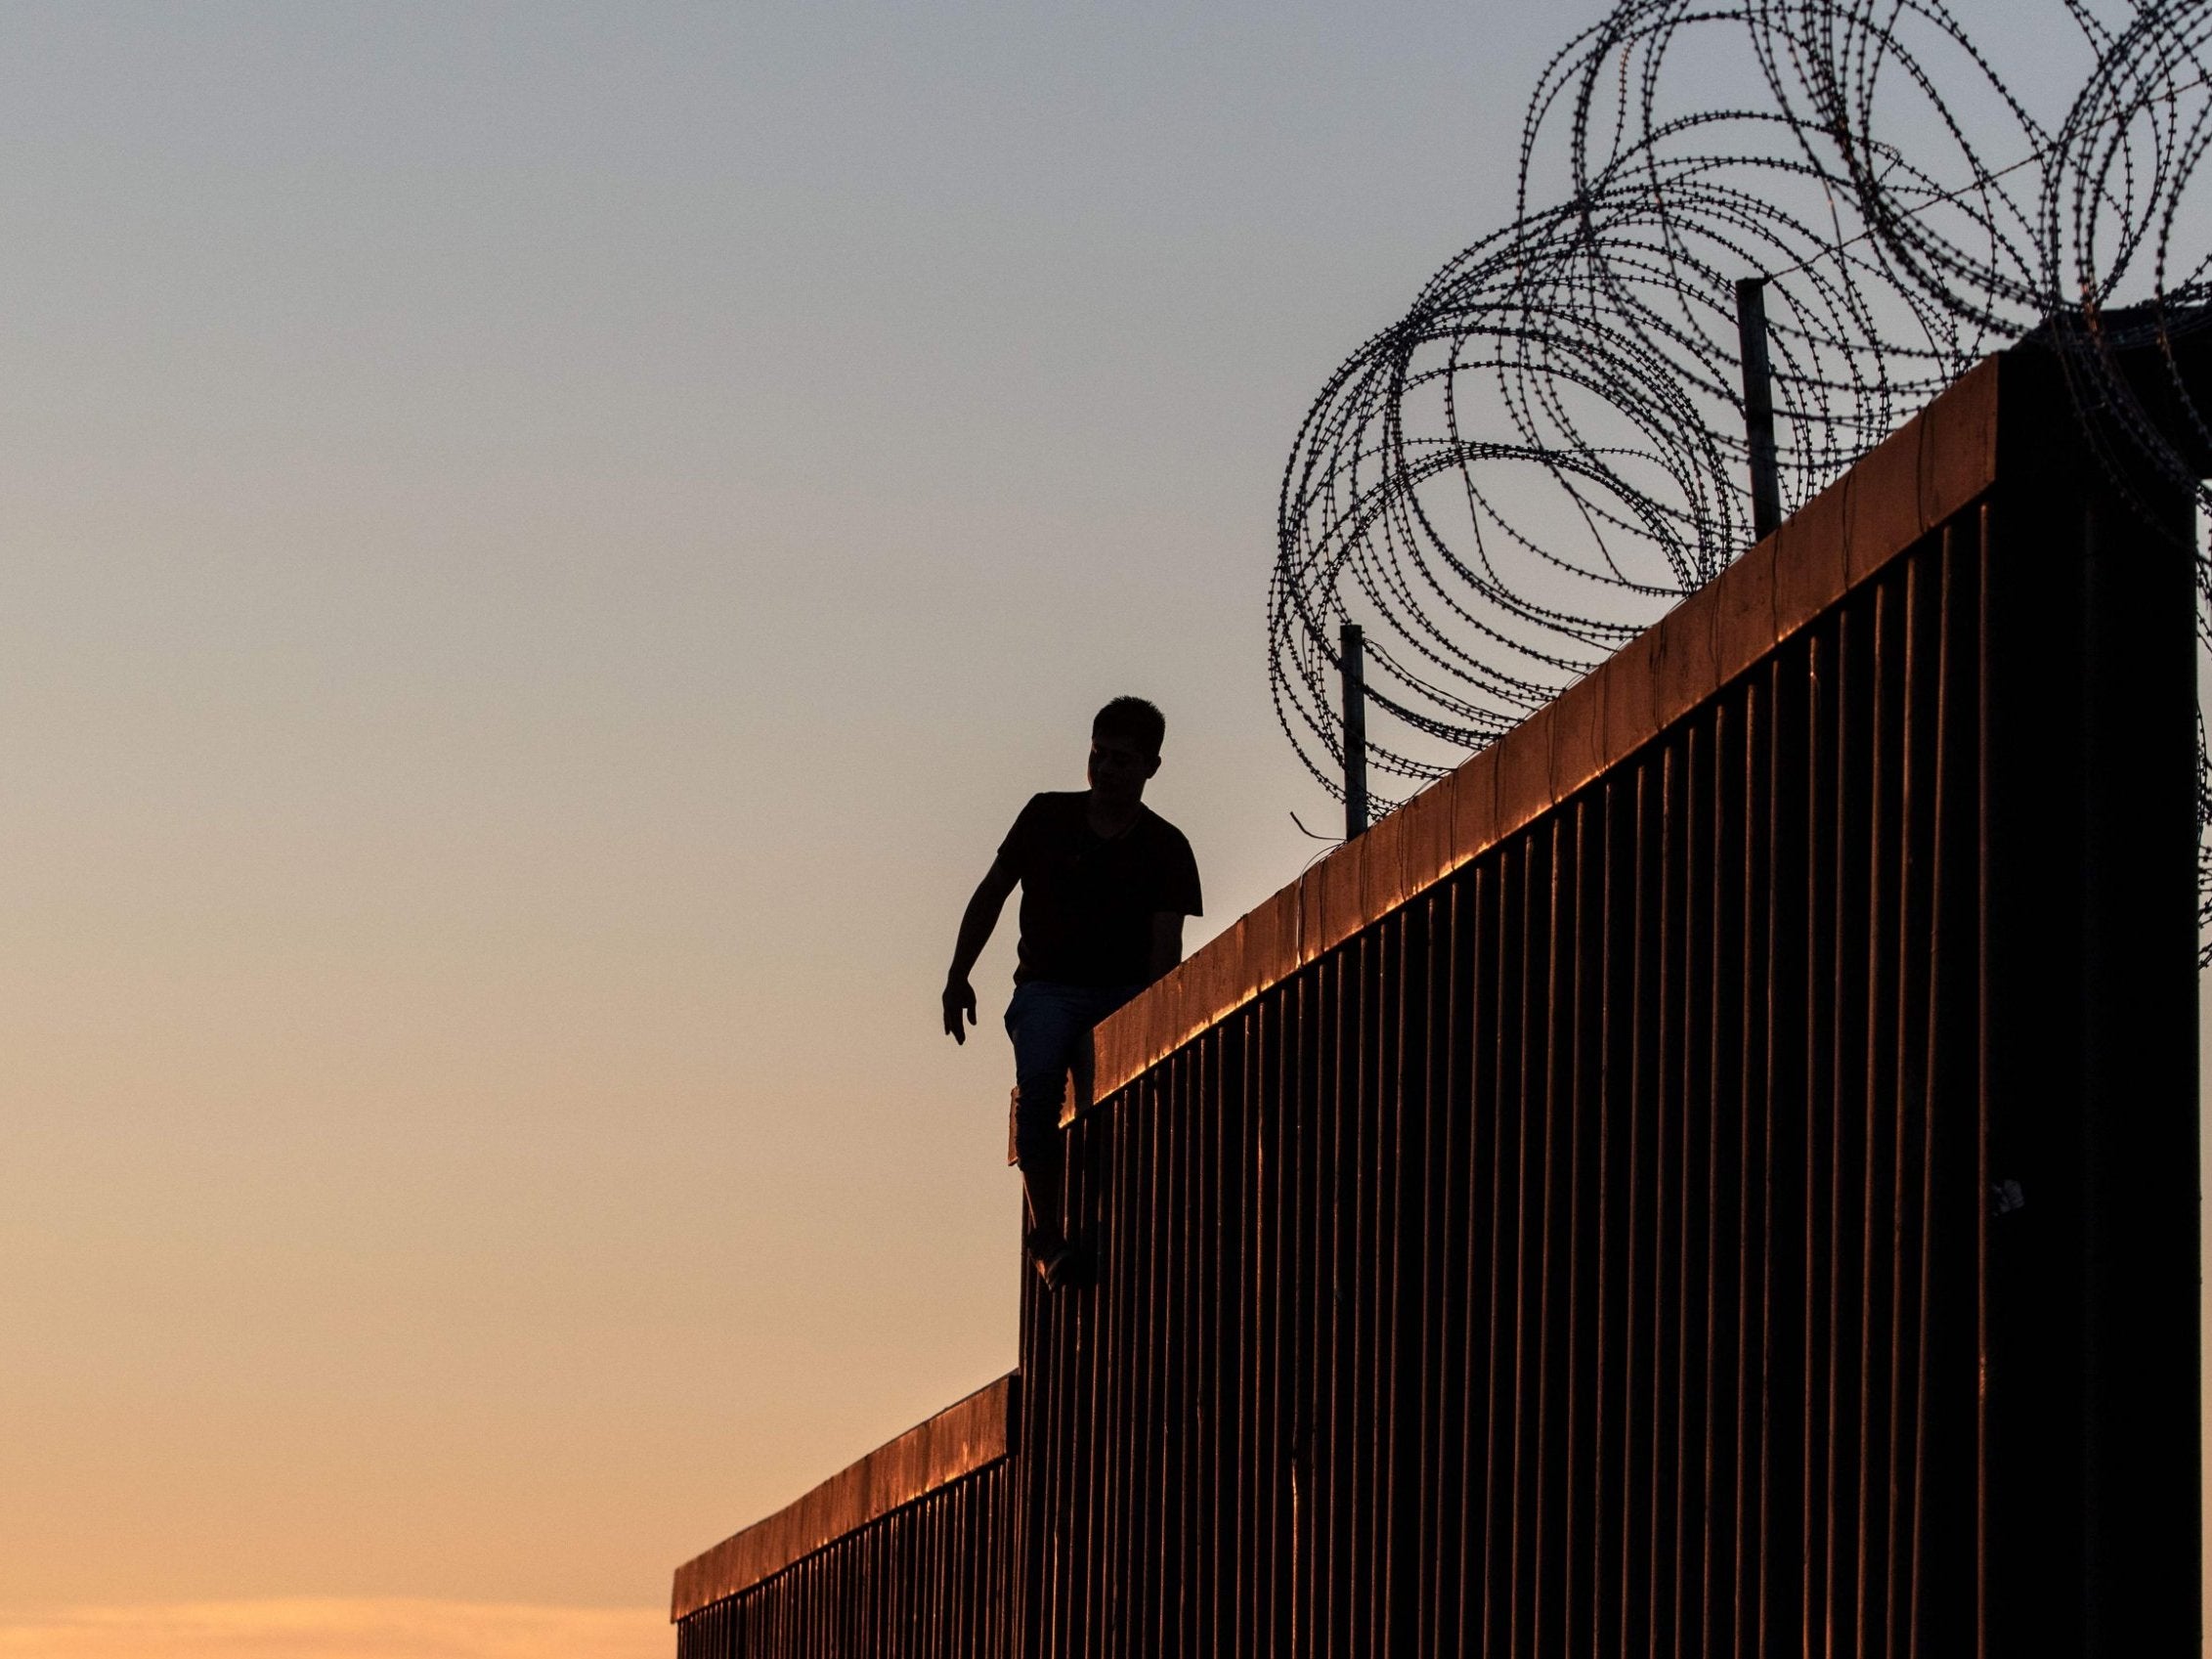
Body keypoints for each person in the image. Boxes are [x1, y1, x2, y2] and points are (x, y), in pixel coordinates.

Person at [941, 696, 1202, 1289]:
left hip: (1126, 992)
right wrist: (959, 974)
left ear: (1150, 768)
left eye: (1122, 760)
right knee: (1039, 1092)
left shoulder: (1165, 847)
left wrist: (1153, 1019)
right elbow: (992, 894)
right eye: (1099, 755)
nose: (1107, 770)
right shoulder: (1046, 817)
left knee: (1140, 1100)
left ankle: (1141, 1224)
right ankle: (1048, 1236)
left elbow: (1167, 949)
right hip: (1048, 989)